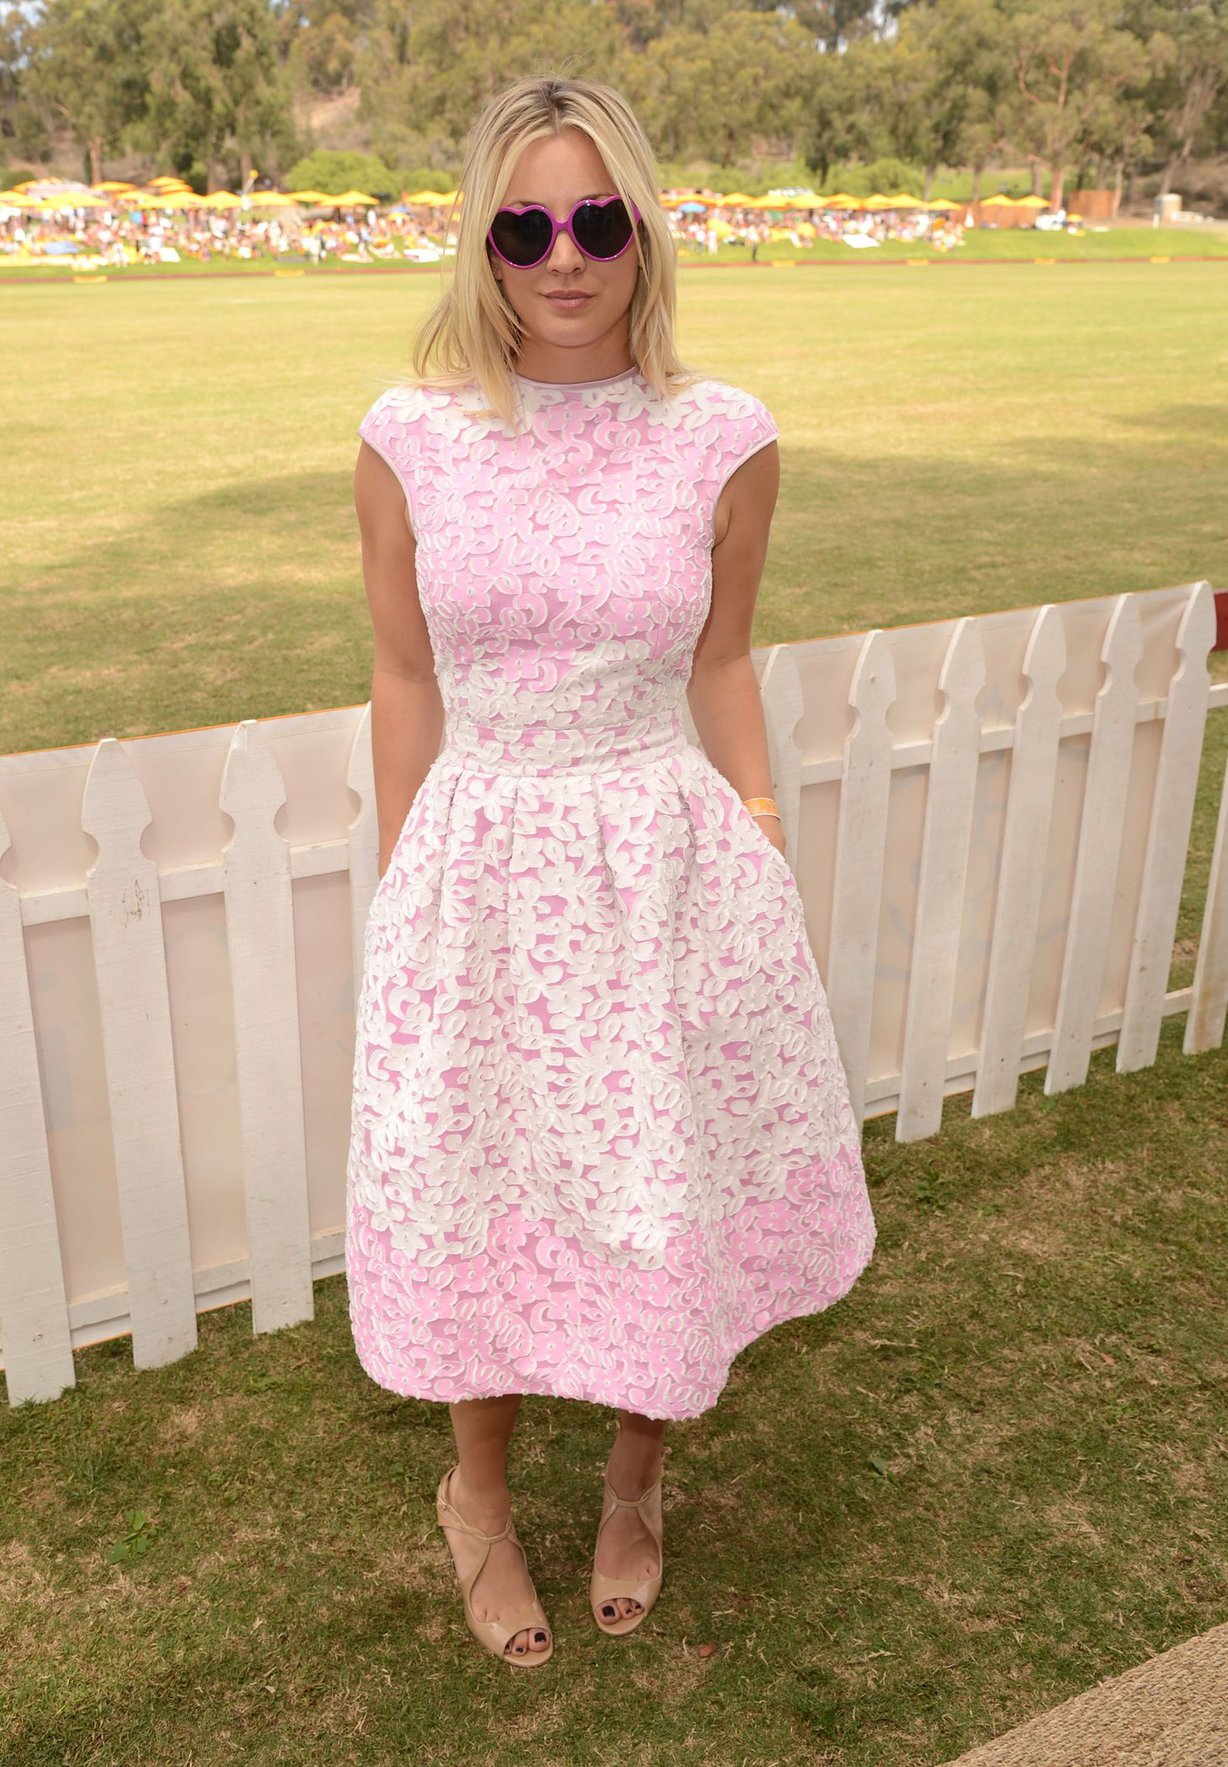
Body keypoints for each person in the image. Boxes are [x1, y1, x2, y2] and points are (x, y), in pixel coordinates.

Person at [346, 72, 877, 1670]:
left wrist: (764, 832)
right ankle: (481, 1503)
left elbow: (722, 661)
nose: (562, 256)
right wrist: (406, 882)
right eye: (524, 224)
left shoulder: (724, 436)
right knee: (473, 1176)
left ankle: (639, 1484)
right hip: (485, 862)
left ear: (643, 229)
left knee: (669, 1175)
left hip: (663, 865)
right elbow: (400, 674)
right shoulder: (409, 438)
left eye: (596, 219)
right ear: (481, 244)